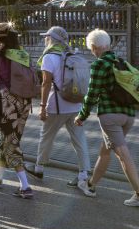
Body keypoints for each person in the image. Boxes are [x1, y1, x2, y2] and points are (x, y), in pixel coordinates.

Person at [75, 29, 139, 206]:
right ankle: (91, 185)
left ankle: (138, 192)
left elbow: (92, 95)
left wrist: (82, 116)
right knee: (105, 150)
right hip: (129, 115)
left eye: (91, 49)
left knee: (123, 154)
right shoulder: (122, 62)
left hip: (110, 117)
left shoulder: (99, 64)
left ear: (94, 47)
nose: (92, 52)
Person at [25, 26, 92, 194]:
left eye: (47, 37)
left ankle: (39, 168)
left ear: (52, 39)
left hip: (57, 105)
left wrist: (42, 107)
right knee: (79, 139)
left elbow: (46, 83)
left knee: (46, 136)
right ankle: (83, 175)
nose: (45, 39)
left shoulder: (49, 57)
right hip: (76, 104)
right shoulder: (72, 55)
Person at [0, 23, 34, 199]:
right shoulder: (22, 54)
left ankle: (25, 186)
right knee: (10, 139)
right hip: (26, 101)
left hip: (7, 102)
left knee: (11, 143)